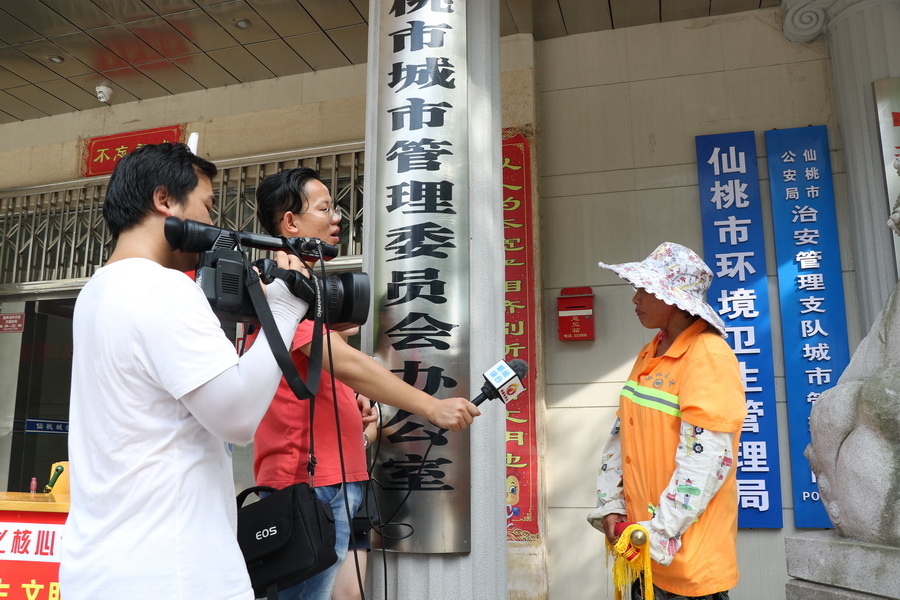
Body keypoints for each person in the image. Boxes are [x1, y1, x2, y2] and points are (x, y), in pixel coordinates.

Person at [59, 143, 312, 600]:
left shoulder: (96, 291)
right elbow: (236, 417)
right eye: (208, 208)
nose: (213, 226)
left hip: (99, 570)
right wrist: (285, 312)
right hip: (173, 573)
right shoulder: (162, 288)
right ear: (164, 201)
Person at [253, 167, 481, 599]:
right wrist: (431, 407)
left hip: (334, 480)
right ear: (290, 223)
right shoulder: (276, 289)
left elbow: (327, 368)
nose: (337, 218)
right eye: (324, 208)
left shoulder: (305, 288)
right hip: (308, 486)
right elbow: (349, 364)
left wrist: (349, 404)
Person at [586, 242, 747, 600]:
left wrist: (657, 532)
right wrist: (613, 505)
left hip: (684, 560)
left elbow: (707, 461)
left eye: (645, 289)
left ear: (672, 298)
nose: (636, 298)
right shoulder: (651, 352)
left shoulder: (708, 357)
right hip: (643, 549)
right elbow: (621, 436)